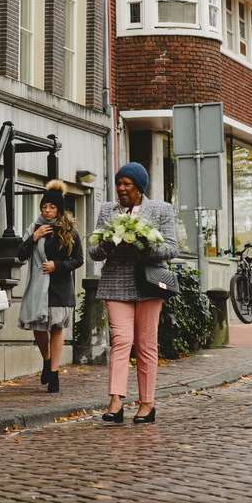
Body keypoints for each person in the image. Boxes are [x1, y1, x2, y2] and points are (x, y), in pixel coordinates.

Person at [88, 162, 178, 424]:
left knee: (147, 344)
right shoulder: (108, 210)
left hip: (149, 284)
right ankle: (115, 401)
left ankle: (147, 403)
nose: (121, 188)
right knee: (121, 340)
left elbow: (172, 248)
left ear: (139, 187)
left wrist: (146, 246)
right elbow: (93, 252)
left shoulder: (161, 209)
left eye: (127, 184)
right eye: (119, 183)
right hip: (116, 283)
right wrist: (106, 244)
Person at [17, 179, 83, 394]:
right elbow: (20, 255)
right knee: (39, 329)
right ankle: (46, 360)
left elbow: (79, 259)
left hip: (59, 287)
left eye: (52, 207)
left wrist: (58, 265)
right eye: (44, 207)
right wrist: (33, 238)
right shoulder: (35, 227)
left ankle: (54, 374)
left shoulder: (70, 231)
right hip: (38, 287)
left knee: (56, 328)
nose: (47, 211)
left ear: (59, 209)